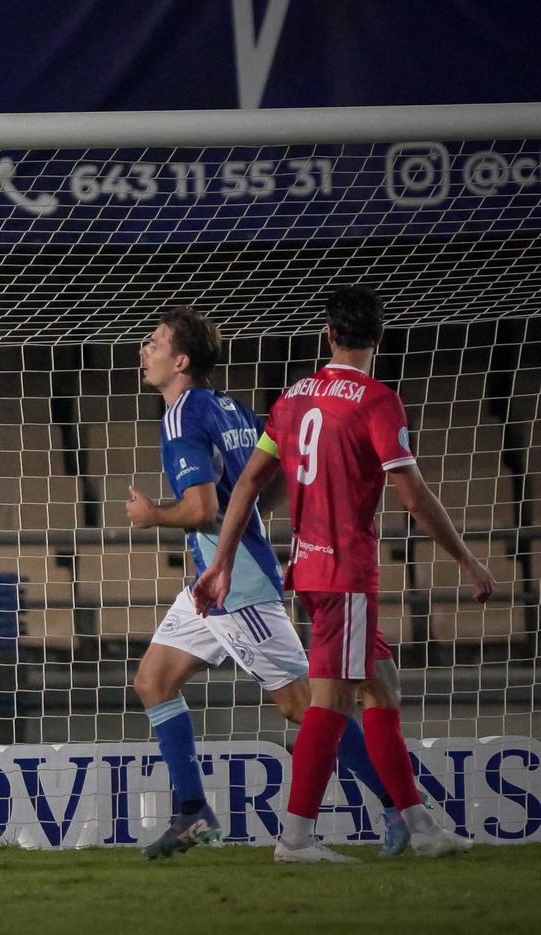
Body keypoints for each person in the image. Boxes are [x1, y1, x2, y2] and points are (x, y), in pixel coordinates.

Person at [194, 285, 493, 863]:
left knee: (381, 688)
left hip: (308, 568)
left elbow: (251, 483)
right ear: (380, 337)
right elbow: (412, 493)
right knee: (330, 704)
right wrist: (465, 558)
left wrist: (222, 561)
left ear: (327, 334)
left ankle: (420, 825)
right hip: (346, 574)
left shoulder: (293, 398)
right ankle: (295, 839)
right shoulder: (377, 402)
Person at [127, 305, 403, 859]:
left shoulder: (182, 417)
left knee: (305, 704)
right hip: (216, 580)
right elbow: (269, 472)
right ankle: (191, 814)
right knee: (154, 681)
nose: (144, 349)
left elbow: (202, 509)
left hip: (236, 585)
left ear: (180, 361)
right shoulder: (226, 407)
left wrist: (151, 515)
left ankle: (398, 807)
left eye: (154, 342)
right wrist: (250, 514)